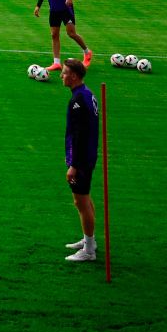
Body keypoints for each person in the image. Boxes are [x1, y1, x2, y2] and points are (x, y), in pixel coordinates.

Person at [61, 58, 99, 262]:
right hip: (88, 155)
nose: (62, 76)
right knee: (85, 198)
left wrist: (73, 164)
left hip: (82, 159)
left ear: (74, 76)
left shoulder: (77, 101)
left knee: (80, 201)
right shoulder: (87, 94)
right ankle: (89, 241)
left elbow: (78, 134)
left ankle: (89, 250)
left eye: (65, 73)